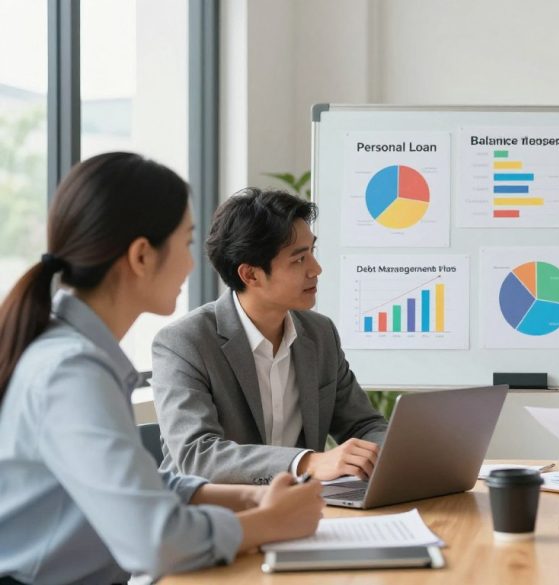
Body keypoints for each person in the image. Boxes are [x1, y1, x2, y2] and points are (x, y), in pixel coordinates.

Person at [0, 153, 323, 584]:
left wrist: (254, 496)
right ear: (141, 256)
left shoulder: (72, 355)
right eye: (187, 243)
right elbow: (154, 541)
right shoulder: (71, 373)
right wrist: (270, 523)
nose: (193, 264)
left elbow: (142, 488)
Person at [152, 188, 388, 485]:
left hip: (301, 509)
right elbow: (197, 456)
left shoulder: (320, 334)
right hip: (216, 518)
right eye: (299, 260)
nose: (316, 269)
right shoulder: (184, 343)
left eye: (312, 252)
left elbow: (364, 424)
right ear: (250, 275)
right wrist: (307, 462)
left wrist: (389, 455)